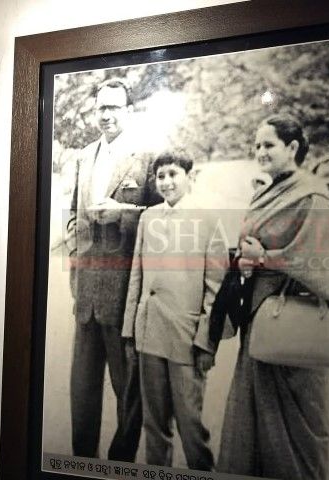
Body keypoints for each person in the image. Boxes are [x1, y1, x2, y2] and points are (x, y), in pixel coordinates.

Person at [215, 113, 329, 480]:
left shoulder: (312, 195)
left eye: (268, 144)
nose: (260, 152)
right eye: (256, 145)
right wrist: (246, 265)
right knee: (250, 423)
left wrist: (266, 258)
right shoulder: (271, 188)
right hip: (261, 320)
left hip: (294, 324)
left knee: (298, 431)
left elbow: (322, 268)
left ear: (292, 147)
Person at [67, 78, 161, 461]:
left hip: (125, 299)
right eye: (101, 108)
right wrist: (75, 242)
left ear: (128, 110)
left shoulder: (148, 157)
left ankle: (119, 465)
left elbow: (163, 220)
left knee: (129, 395)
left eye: (114, 107)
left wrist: (123, 214)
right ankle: (81, 465)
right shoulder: (84, 156)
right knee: (82, 393)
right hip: (85, 297)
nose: (106, 114)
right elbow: (74, 214)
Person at [122, 151, 228, 470]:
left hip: (186, 339)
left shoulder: (209, 219)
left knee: (191, 426)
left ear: (189, 177)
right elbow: (136, 277)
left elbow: (216, 287)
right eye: (161, 176)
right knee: (154, 426)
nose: (166, 182)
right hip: (148, 332)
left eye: (173, 174)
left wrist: (206, 342)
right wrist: (130, 331)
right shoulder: (149, 217)